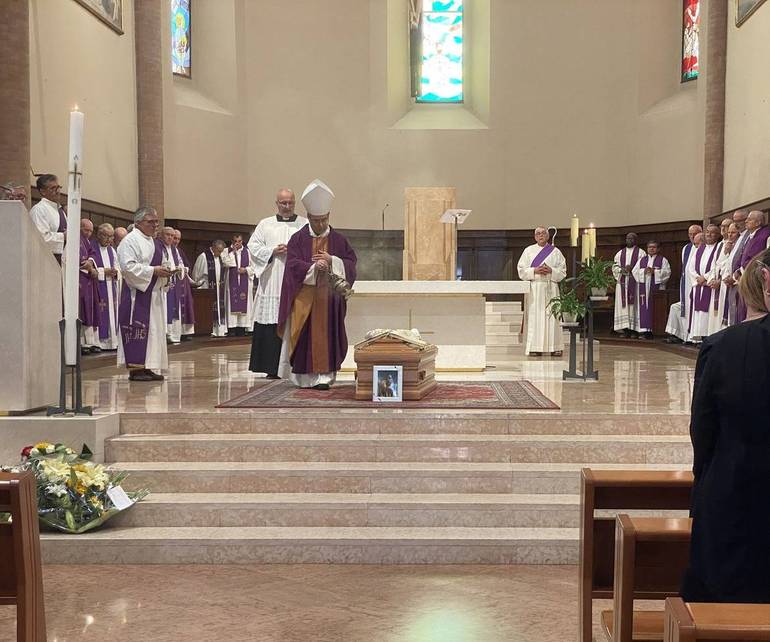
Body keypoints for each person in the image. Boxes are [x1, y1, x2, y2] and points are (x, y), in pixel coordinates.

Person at [681, 248, 770, 604]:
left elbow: (703, 430)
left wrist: (703, 478)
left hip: (735, 494)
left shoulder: (725, 346)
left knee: (724, 595)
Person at [277, 179, 357, 389]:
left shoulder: (339, 240)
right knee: (305, 337)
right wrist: (313, 268)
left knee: (328, 335)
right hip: (305, 299)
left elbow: (351, 263)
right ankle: (305, 377)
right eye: (316, 220)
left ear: (328, 216)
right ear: (309, 217)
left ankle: (325, 377)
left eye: (323, 220)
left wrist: (332, 261)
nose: (320, 225)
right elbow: (292, 266)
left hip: (329, 300)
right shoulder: (297, 239)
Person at [247, 189, 307, 378]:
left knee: (294, 321)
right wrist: (272, 251)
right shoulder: (265, 224)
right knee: (271, 321)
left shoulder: (304, 224)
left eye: (290, 203)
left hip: (295, 281)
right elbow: (253, 247)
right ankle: (271, 367)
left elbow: (311, 248)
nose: (287, 207)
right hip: (272, 280)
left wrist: (294, 252)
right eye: (283, 203)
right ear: (277, 203)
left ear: (294, 203)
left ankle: (295, 366)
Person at [117, 207, 172, 381]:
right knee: (138, 329)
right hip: (137, 294)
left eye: (157, 221)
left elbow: (162, 262)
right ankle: (136, 368)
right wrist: (153, 270)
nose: (156, 225)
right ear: (138, 222)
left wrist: (167, 272)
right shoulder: (130, 241)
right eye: (151, 222)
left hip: (153, 294)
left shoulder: (155, 242)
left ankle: (148, 365)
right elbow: (128, 267)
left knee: (154, 331)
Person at [517, 226, 567, 357]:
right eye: (538, 234)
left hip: (551, 287)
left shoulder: (555, 252)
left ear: (548, 236)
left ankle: (555, 346)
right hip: (535, 288)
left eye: (543, 233)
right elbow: (521, 271)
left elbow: (562, 271)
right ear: (535, 237)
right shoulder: (528, 251)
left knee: (552, 317)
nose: (540, 235)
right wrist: (534, 270)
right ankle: (535, 347)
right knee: (536, 317)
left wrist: (551, 270)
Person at [665, 224, 702, 343]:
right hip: (685, 284)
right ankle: (683, 335)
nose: (692, 236)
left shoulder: (703, 247)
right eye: (690, 234)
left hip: (696, 283)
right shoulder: (686, 248)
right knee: (683, 308)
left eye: (695, 234)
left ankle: (694, 337)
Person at [735, 210, 770, 323]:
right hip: (745, 275)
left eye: (749, 219)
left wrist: (741, 271)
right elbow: (743, 255)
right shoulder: (750, 236)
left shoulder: (765, 235)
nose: (746, 221)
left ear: (758, 222)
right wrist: (738, 270)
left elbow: (759, 257)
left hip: (755, 277)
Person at [90, 223, 120, 350]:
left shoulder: (111, 250)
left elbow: (118, 267)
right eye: (106, 236)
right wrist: (103, 272)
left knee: (111, 314)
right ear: (99, 235)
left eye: (111, 237)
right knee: (99, 312)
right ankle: (98, 343)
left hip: (110, 287)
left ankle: (112, 342)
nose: (109, 240)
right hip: (96, 287)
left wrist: (116, 272)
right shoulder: (91, 248)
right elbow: (89, 270)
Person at [632, 240, 671, 339]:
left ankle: (656, 330)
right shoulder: (642, 260)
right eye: (649, 247)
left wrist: (655, 272)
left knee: (655, 308)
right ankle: (645, 331)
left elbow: (667, 273)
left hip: (656, 290)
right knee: (644, 308)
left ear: (658, 249)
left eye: (654, 247)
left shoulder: (663, 260)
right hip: (643, 289)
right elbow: (634, 271)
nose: (651, 249)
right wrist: (643, 271)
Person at [687, 227, 720, 342]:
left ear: (717, 234)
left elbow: (717, 266)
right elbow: (690, 267)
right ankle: (699, 337)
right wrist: (697, 278)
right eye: (707, 232)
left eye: (712, 233)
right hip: (699, 286)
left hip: (708, 286)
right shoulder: (700, 249)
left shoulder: (718, 248)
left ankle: (707, 337)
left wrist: (705, 278)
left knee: (708, 312)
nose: (709, 235)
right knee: (698, 312)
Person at [192, 240, 228, 337]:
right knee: (208, 309)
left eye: (221, 251)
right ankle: (209, 329)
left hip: (218, 287)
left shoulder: (220, 257)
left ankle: (219, 330)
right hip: (206, 287)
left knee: (218, 308)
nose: (219, 253)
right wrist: (198, 284)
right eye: (218, 251)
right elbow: (196, 273)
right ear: (213, 247)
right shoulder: (203, 257)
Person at [612, 232, 645, 337]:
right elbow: (614, 267)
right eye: (627, 238)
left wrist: (632, 269)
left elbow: (642, 267)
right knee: (623, 306)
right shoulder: (619, 253)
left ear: (635, 240)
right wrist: (622, 269)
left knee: (634, 306)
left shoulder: (641, 253)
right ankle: (624, 329)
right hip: (622, 282)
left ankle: (634, 329)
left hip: (635, 284)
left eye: (631, 239)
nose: (629, 240)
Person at [222, 234, 254, 336]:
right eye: (235, 241)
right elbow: (226, 263)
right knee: (231, 303)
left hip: (244, 282)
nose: (237, 243)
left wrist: (246, 270)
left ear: (242, 241)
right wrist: (233, 253)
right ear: (232, 241)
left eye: (239, 241)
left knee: (245, 303)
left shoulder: (248, 252)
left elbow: (254, 266)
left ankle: (242, 327)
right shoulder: (227, 251)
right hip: (232, 283)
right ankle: (232, 328)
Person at [29, 174, 67, 261]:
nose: (58, 191)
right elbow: (40, 239)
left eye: (58, 187)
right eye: (53, 188)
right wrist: (63, 236)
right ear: (43, 191)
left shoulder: (60, 210)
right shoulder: (39, 210)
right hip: (45, 261)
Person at [167, 228, 195, 342]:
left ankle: (179, 333)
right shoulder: (165, 249)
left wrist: (182, 269)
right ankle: (170, 334)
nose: (176, 241)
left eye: (178, 239)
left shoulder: (178, 251)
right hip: (171, 283)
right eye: (174, 238)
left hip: (181, 282)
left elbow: (186, 265)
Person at [707, 220, 734, 336]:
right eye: (722, 226)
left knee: (723, 311)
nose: (723, 228)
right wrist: (712, 279)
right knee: (714, 314)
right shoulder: (719, 244)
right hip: (716, 284)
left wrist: (719, 280)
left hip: (724, 283)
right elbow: (714, 264)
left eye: (726, 226)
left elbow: (729, 263)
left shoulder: (732, 243)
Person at [78, 218, 101, 353]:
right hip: (80, 278)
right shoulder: (75, 238)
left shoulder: (87, 241)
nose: (88, 233)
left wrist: (91, 262)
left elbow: (92, 253)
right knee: (83, 310)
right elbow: (76, 258)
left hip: (88, 279)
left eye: (91, 231)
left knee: (90, 309)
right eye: (86, 230)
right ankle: (82, 343)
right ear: (80, 227)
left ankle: (90, 342)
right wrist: (90, 269)